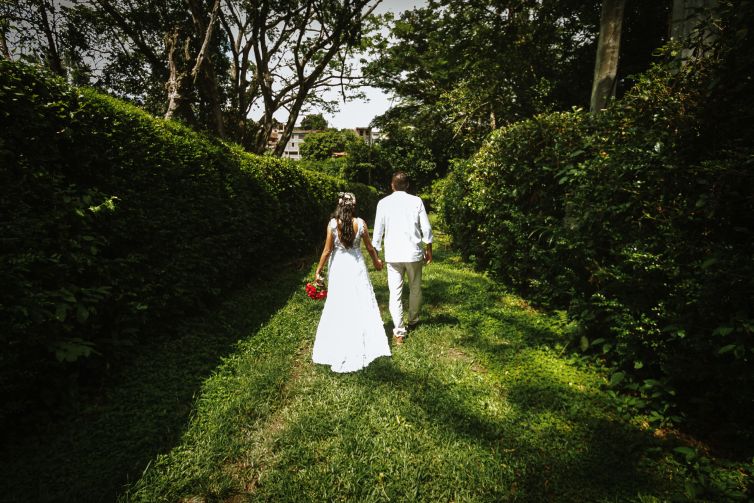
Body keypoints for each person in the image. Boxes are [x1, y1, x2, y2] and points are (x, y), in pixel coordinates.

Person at [311, 192, 391, 372]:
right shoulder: (360, 223)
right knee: (360, 301)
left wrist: (318, 270)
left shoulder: (333, 224)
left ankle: (338, 337)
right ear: (353, 206)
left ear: (339, 206)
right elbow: (370, 248)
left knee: (338, 302)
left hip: (339, 267)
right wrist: (377, 262)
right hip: (356, 267)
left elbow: (327, 250)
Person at [372, 172, 433, 345]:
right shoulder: (416, 201)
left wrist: (376, 254)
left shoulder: (383, 203)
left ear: (392, 185)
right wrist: (429, 248)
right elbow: (426, 227)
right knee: (415, 288)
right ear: (407, 185)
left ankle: (399, 332)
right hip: (413, 253)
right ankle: (413, 321)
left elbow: (378, 230)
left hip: (393, 254)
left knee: (395, 292)